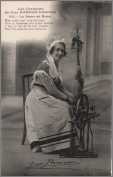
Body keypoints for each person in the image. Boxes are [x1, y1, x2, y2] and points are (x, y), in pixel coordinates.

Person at [25, 39, 82, 153]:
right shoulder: (44, 65)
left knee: (67, 105)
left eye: (62, 51)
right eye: (57, 50)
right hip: (37, 98)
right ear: (51, 51)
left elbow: (60, 87)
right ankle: (52, 144)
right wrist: (67, 98)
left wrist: (72, 96)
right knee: (63, 108)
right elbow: (52, 90)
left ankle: (64, 143)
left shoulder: (55, 66)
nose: (60, 53)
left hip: (45, 95)